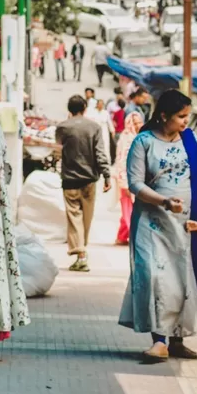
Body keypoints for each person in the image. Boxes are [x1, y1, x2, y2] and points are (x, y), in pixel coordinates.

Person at [119, 89, 197, 362]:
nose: (185, 122)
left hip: (185, 225)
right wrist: (164, 201)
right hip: (151, 224)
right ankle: (159, 340)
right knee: (156, 280)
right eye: (181, 116)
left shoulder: (191, 141)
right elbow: (136, 183)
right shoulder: (143, 142)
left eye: (188, 117)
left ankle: (177, 339)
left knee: (181, 280)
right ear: (164, 115)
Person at [56, 95, 111, 272]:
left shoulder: (63, 127)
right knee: (86, 219)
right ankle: (82, 253)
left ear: (69, 109)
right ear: (85, 108)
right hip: (89, 180)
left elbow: (58, 146)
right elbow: (100, 152)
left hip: (70, 179)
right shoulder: (94, 127)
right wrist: (106, 175)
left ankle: (80, 254)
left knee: (74, 218)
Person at [114, 112, 143, 245]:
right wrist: (124, 183)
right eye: (135, 123)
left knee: (129, 210)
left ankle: (121, 237)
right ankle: (136, 238)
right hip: (126, 181)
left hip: (136, 181)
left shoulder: (138, 137)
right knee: (130, 211)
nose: (137, 125)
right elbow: (122, 161)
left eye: (139, 122)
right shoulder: (126, 139)